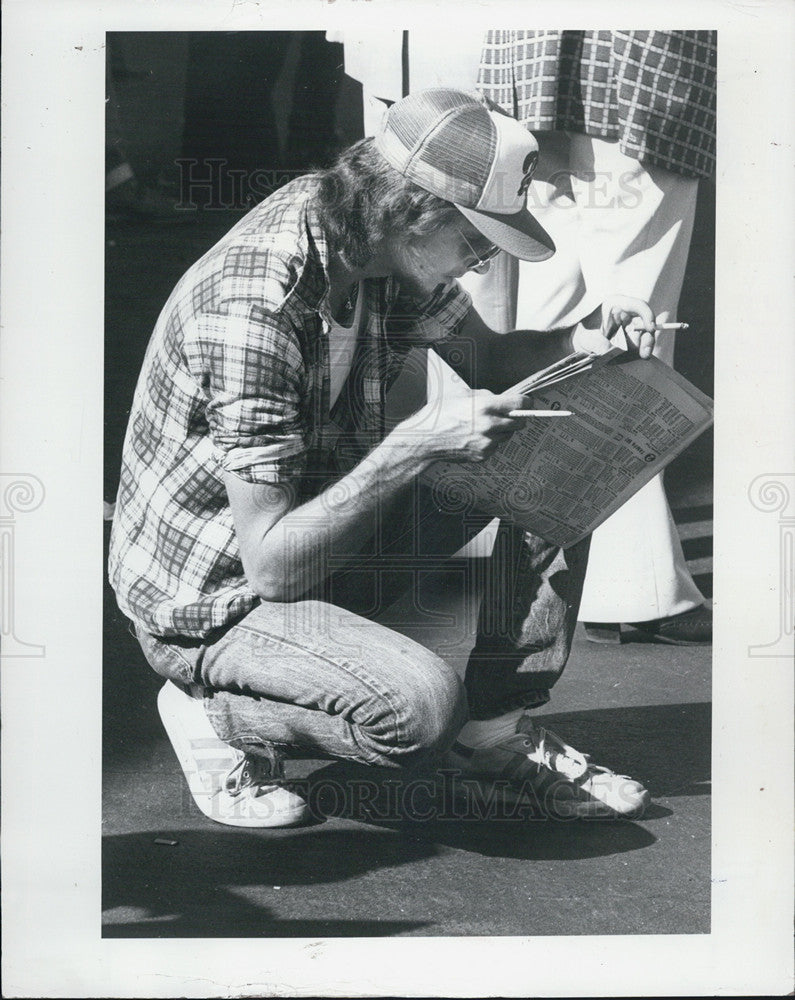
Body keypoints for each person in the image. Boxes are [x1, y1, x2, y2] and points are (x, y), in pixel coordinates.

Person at [109, 88, 659, 830]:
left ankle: (492, 741)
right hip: (215, 598)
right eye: (475, 236)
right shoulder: (254, 308)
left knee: (560, 457)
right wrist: (411, 446)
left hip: (315, 532)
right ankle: (217, 713)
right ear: (412, 211)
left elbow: (494, 359)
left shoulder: (370, 240)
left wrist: (581, 340)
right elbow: (270, 567)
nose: (487, 255)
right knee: (416, 712)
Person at [477, 30, 716, 644]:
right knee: (630, 336)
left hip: (531, 64)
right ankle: (634, 586)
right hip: (642, 66)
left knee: (556, 327)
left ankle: (531, 567)